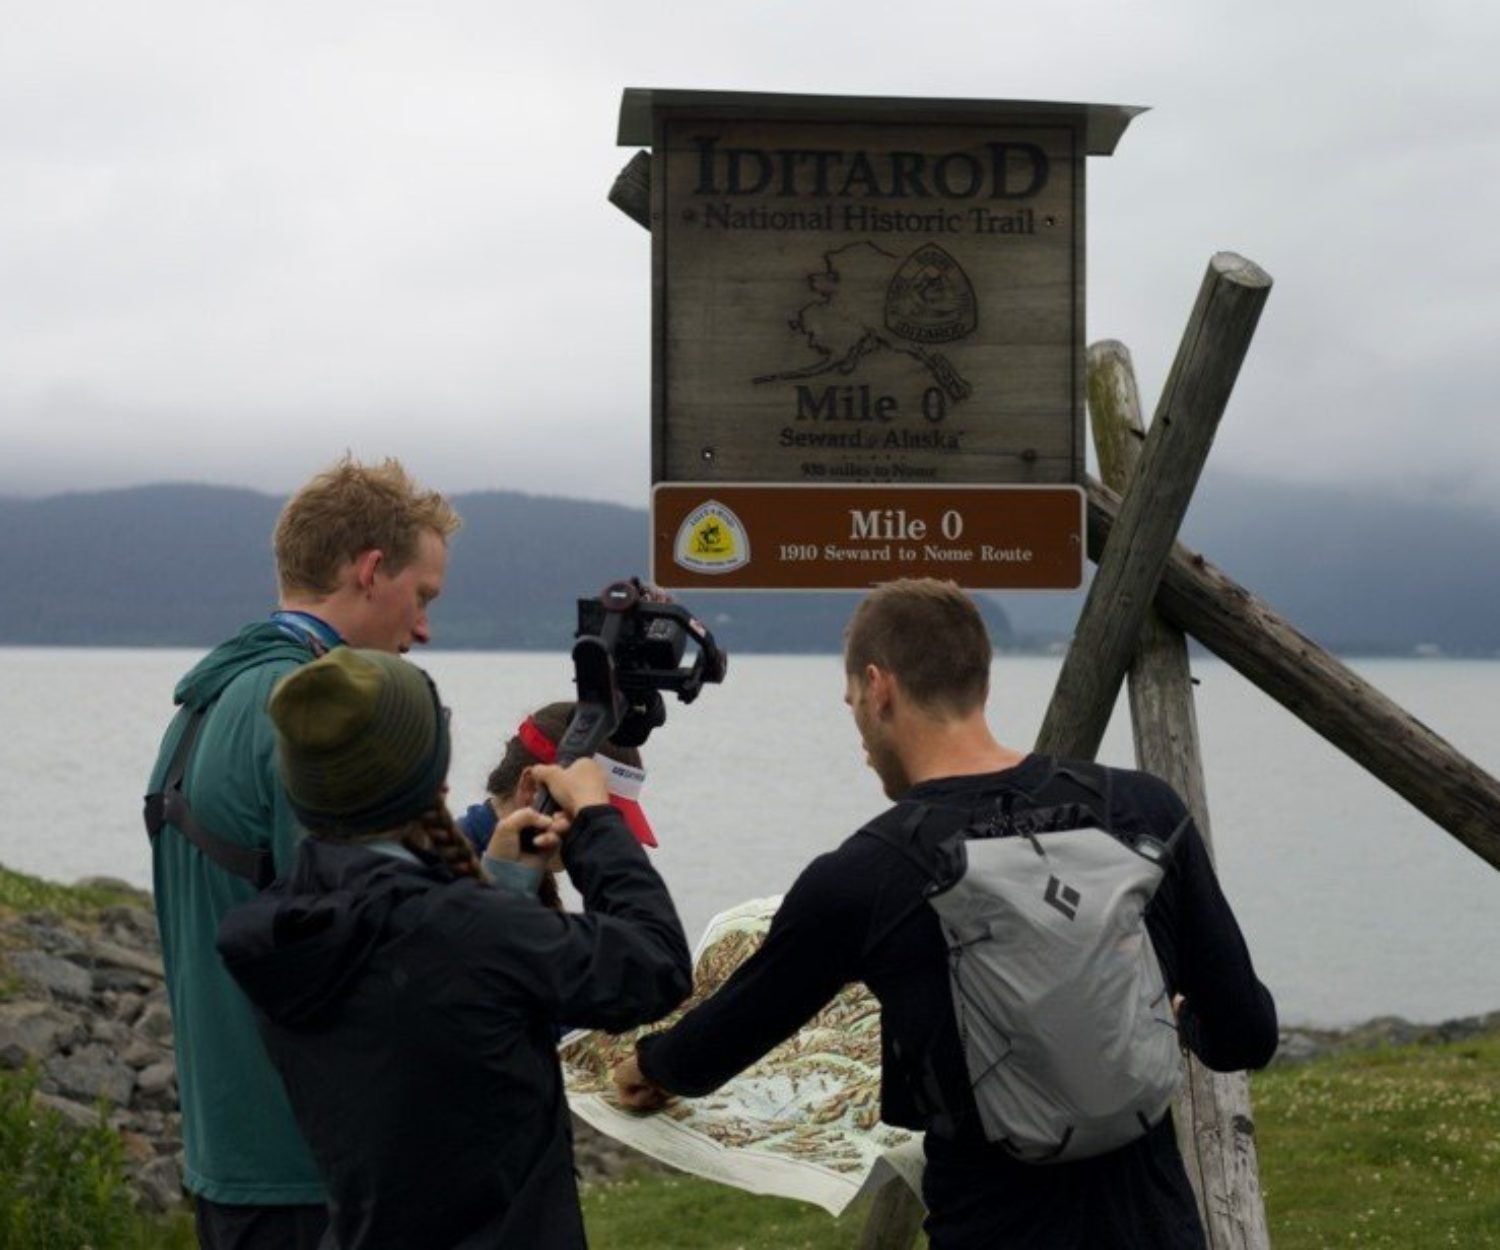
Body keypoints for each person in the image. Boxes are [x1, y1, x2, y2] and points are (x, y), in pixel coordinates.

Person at [612, 578, 1278, 1250]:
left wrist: (648, 1069)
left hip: (992, 1228)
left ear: (879, 689)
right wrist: (1175, 1016)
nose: (861, 738)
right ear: (979, 685)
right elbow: (1247, 1034)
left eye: (852, 706)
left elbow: (725, 1035)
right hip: (1157, 1225)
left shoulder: (865, 875)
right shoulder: (1144, 810)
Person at [216, 647, 692, 1249]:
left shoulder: (279, 927)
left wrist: (504, 886)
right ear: (432, 778)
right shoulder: (457, 928)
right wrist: (597, 823)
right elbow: (655, 966)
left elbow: (454, 1025)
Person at [144, 455, 460, 1249]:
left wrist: (481, 832)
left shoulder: (209, 699)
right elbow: (383, 943)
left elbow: (289, 890)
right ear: (371, 569)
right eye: (421, 598)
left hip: (231, 1151)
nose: (422, 629)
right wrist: (518, 884)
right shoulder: (308, 720)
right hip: (315, 1166)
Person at [455, 701, 656, 913]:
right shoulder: (449, 886)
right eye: (590, 814)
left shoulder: (513, 875)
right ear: (532, 789)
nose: (605, 841)